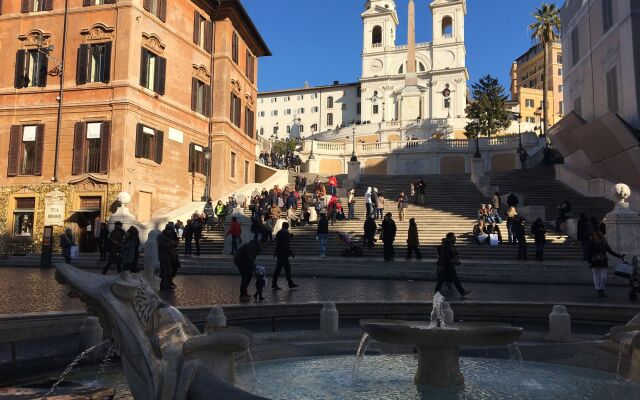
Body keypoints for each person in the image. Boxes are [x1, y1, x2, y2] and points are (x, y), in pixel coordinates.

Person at [587, 231, 624, 298]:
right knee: (596, 276)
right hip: (594, 261)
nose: (598, 238)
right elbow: (588, 253)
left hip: (603, 261)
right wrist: (590, 261)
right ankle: (599, 290)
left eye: (599, 236)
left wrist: (619, 256)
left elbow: (610, 251)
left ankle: (601, 289)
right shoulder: (591, 243)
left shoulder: (604, 243)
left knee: (603, 276)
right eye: (597, 236)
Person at [434, 232, 471, 299]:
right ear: (450, 237)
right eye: (454, 237)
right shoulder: (447, 245)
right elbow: (444, 256)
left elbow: (452, 253)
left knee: (441, 280)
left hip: (448, 264)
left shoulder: (449, 244)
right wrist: (442, 265)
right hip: (447, 264)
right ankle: (462, 292)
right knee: (453, 278)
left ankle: (436, 292)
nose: (455, 238)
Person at [272, 222, 298, 290]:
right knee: (284, 269)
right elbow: (285, 244)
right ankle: (288, 283)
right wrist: (291, 252)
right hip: (283, 254)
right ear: (287, 227)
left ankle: (289, 283)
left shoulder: (279, 232)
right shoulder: (285, 233)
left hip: (280, 253)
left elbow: (278, 243)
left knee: (282, 269)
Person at [157, 223, 179, 291]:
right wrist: (171, 243)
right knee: (165, 271)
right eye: (170, 230)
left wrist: (175, 243)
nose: (171, 232)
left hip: (170, 255)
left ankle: (167, 283)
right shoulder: (161, 236)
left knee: (169, 270)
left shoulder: (170, 235)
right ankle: (164, 286)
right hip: (164, 256)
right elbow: (161, 245)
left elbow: (171, 244)